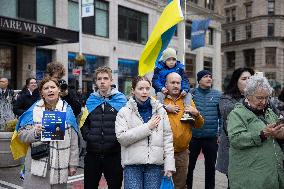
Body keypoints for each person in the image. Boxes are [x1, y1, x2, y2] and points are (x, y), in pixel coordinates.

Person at [14, 77, 79, 189]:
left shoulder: (67, 111)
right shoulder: (33, 111)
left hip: (59, 165)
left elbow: (74, 141)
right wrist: (35, 132)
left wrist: (73, 164)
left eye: (53, 87)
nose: (50, 90)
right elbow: (21, 135)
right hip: (36, 166)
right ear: (42, 93)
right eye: (46, 88)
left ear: (58, 90)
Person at [115, 76, 175, 189]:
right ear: (133, 90)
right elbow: (122, 138)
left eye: (147, 88)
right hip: (132, 166)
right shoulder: (124, 112)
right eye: (140, 88)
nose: (144, 92)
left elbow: (167, 138)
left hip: (155, 166)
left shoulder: (160, 110)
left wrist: (169, 165)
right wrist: (148, 127)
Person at [227, 75, 284, 189]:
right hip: (250, 178)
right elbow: (236, 139)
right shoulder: (237, 114)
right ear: (248, 95)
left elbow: (277, 135)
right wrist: (262, 134)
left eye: (266, 97)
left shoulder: (269, 112)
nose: (264, 102)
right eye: (259, 98)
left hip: (271, 176)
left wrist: (280, 135)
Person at [80, 66, 127, 189]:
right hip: (92, 154)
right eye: (99, 79)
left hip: (114, 154)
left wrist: (117, 140)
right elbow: (83, 122)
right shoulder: (91, 99)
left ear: (111, 81)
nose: (102, 81)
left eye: (105, 78)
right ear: (96, 81)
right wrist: (88, 137)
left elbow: (127, 123)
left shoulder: (121, 100)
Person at [163, 72, 204, 189]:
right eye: (172, 83)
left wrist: (196, 114)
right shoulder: (159, 99)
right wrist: (165, 108)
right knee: (161, 185)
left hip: (182, 153)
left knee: (179, 186)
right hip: (162, 153)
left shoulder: (187, 101)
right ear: (166, 84)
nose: (176, 85)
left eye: (178, 83)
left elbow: (198, 125)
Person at [216, 68, 254, 188]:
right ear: (235, 82)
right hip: (232, 150)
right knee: (234, 183)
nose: (248, 81)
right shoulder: (226, 98)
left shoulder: (257, 98)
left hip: (252, 147)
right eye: (244, 79)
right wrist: (248, 99)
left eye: (250, 78)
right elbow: (229, 112)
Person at [187, 70, 222, 189]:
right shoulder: (191, 94)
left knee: (210, 168)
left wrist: (220, 133)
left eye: (210, 77)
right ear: (199, 80)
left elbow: (222, 116)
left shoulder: (218, 95)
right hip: (193, 137)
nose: (209, 79)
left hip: (211, 137)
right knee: (189, 167)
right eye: (206, 77)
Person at [152, 48, 194, 122]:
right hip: (163, 90)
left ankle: (187, 114)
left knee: (188, 95)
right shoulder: (159, 69)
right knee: (159, 95)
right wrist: (161, 88)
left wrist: (185, 89)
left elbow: (185, 80)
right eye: (169, 60)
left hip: (178, 91)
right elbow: (155, 81)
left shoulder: (179, 69)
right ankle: (160, 111)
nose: (171, 62)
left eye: (173, 59)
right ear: (164, 60)